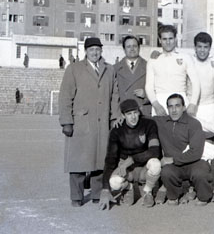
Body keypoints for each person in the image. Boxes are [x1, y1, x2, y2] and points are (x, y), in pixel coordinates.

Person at [58, 37, 122, 207]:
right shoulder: (74, 69)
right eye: (91, 49)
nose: (95, 52)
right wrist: (66, 121)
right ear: (85, 51)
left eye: (98, 49)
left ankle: (96, 194)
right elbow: (65, 96)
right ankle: (76, 197)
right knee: (78, 162)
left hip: (103, 124)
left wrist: (115, 117)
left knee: (100, 161)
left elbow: (115, 95)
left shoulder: (109, 69)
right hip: (81, 123)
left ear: (101, 51)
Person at [99, 100, 162, 210]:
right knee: (114, 182)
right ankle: (128, 188)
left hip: (144, 166)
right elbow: (110, 159)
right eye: (129, 114)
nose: (133, 117)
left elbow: (155, 151)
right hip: (128, 170)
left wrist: (132, 159)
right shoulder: (116, 130)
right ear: (123, 115)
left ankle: (147, 191)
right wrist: (105, 189)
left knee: (156, 164)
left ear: (139, 111)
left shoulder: (149, 124)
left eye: (135, 112)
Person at [153, 94, 214, 206]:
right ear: (167, 109)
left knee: (201, 173)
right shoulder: (161, 122)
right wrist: (123, 117)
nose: (174, 110)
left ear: (184, 107)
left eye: (177, 106)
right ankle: (175, 194)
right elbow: (141, 119)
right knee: (166, 172)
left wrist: (172, 159)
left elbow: (196, 152)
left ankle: (203, 195)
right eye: (170, 106)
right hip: (175, 166)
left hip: (194, 162)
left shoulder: (194, 123)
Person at [145, 25, 200, 116]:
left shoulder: (185, 58)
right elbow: (149, 87)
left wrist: (193, 103)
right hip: (160, 102)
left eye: (170, 38)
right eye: (164, 39)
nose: (168, 42)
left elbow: (196, 83)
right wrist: (156, 105)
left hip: (180, 100)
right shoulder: (153, 60)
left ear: (175, 39)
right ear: (160, 40)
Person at [115, 35, 151, 118]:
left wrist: (146, 94)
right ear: (124, 49)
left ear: (139, 48)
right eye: (128, 46)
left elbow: (158, 90)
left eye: (134, 46)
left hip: (143, 113)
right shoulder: (115, 68)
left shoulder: (149, 66)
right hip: (124, 114)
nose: (132, 49)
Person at [190, 32, 214, 124]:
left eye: (205, 47)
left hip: (209, 107)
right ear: (195, 47)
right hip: (191, 106)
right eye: (199, 46)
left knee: (209, 133)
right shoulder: (189, 61)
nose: (202, 50)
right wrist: (158, 54)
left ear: (210, 48)